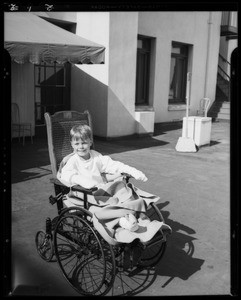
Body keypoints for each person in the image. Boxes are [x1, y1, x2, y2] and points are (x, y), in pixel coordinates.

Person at [58, 123, 148, 190]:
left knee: (127, 194)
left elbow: (112, 165)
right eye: (77, 144)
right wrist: (85, 182)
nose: (81, 147)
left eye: (84, 143)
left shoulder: (95, 156)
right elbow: (67, 175)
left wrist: (131, 171)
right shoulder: (73, 160)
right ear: (72, 145)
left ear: (90, 142)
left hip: (101, 190)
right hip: (85, 194)